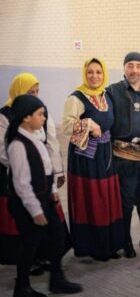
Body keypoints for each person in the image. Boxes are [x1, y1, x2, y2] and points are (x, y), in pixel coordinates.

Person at [6, 95, 82, 296]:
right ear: (26, 117)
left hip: (45, 199)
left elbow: (46, 169)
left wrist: (53, 191)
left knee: (57, 238)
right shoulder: (18, 145)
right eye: (40, 114)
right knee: (29, 245)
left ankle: (56, 280)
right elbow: (21, 184)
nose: (44, 118)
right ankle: (22, 287)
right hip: (28, 204)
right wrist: (35, 211)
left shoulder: (37, 137)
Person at [62, 58, 124, 261]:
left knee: (107, 198)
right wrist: (88, 123)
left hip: (105, 153)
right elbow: (66, 126)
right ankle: (95, 247)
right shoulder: (76, 98)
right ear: (84, 73)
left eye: (98, 72)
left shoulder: (106, 96)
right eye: (90, 72)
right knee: (91, 199)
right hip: (85, 158)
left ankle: (109, 245)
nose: (94, 76)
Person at [1, 73, 66, 268]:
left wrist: (56, 173)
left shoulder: (40, 112)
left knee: (51, 230)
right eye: (30, 92)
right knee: (28, 230)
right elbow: (4, 151)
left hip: (42, 181)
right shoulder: (5, 116)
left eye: (37, 92)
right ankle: (27, 271)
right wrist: (32, 164)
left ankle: (50, 265)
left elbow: (51, 143)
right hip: (23, 180)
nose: (35, 96)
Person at [105, 52, 140, 257]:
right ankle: (126, 240)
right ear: (124, 68)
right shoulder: (112, 92)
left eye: (138, 66)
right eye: (130, 65)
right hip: (123, 158)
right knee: (126, 202)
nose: (134, 70)